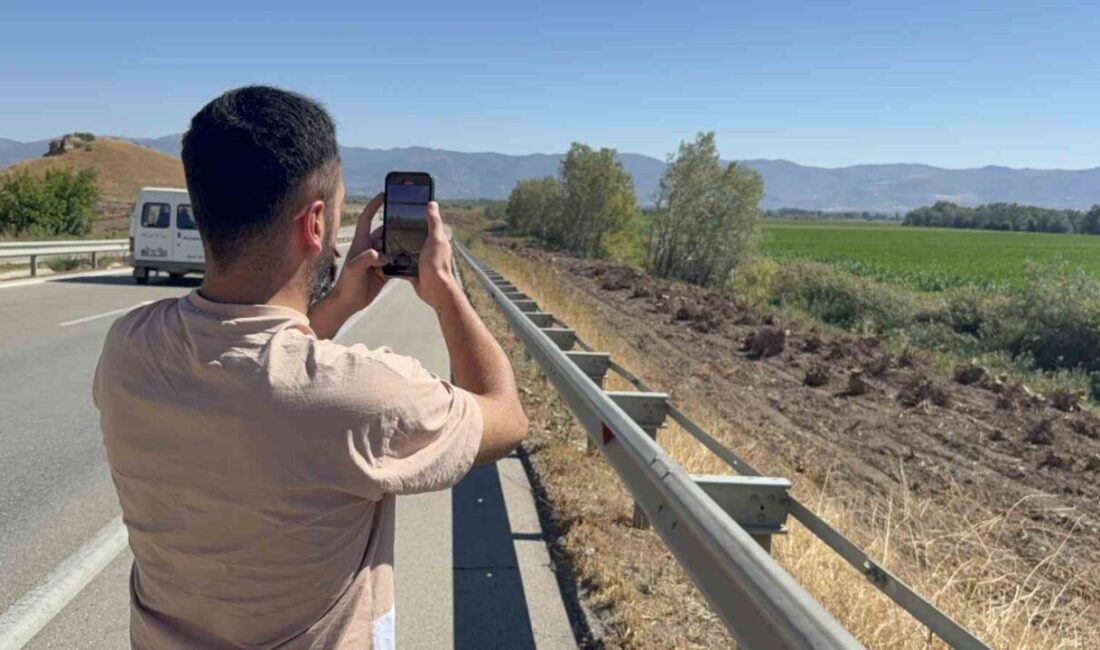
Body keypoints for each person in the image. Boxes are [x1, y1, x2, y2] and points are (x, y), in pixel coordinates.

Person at [93, 85, 528, 649]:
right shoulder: (362, 394)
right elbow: (505, 417)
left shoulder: (128, 348)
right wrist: (446, 293)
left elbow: (255, 373)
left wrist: (340, 303)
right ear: (315, 224)